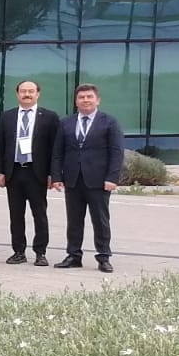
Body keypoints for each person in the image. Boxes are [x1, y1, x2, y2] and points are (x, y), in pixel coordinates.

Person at [53, 83, 123, 273]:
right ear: (76, 101)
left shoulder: (109, 122)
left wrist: (112, 178)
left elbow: (116, 152)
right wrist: (57, 176)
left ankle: (103, 257)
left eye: (89, 97)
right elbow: (58, 152)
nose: (85, 100)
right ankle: (73, 255)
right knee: (74, 221)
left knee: (100, 220)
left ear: (97, 100)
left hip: (99, 181)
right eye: (81, 97)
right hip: (73, 180)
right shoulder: (66, 122)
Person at [0, 80, 60, 267]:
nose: (27, 94)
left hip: (36, 173)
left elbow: (55, 148)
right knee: (16, 215)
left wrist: (53, 174)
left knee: (39, 214)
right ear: (17, 94)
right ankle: (18, 251)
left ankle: (40, 252)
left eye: (31, 91)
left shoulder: (49, 117)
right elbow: (0, 146)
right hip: (14, 172)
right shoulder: (7, 116)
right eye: (23, 91)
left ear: (38, 94)